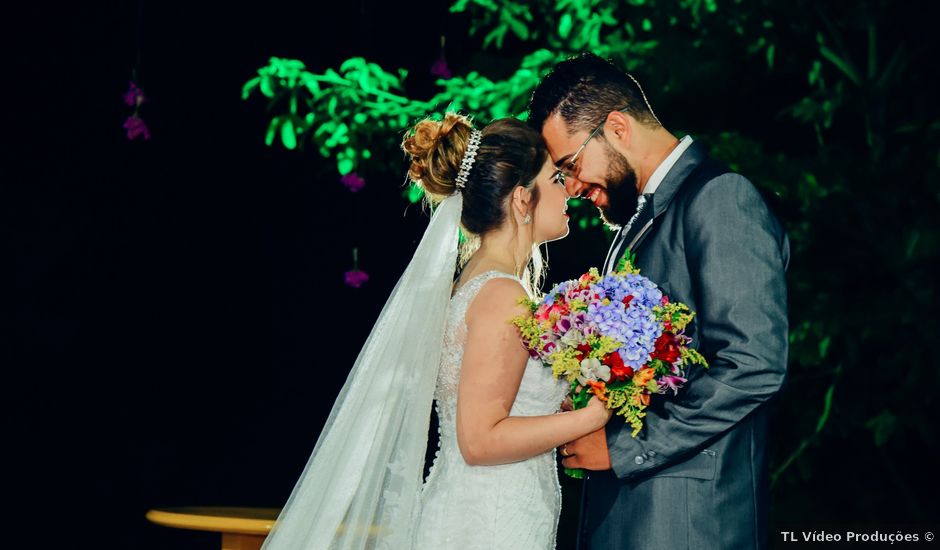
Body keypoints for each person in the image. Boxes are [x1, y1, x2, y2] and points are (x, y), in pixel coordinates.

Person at [261, 113, 610, 550]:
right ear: (522, 199)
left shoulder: (486, 283)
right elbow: (479, 440)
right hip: (487, 524)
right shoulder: (502, 295)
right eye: (556, 179)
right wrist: (592, 415)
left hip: (491, 512)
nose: (569, 192)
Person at [528, 53, 790, 549]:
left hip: (686, 523)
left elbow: (755, 364)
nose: (574, 186)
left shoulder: (721, 198)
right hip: (632, 514)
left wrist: (627, 447)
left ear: (618, 127)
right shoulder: (634, 222)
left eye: (571, 165)